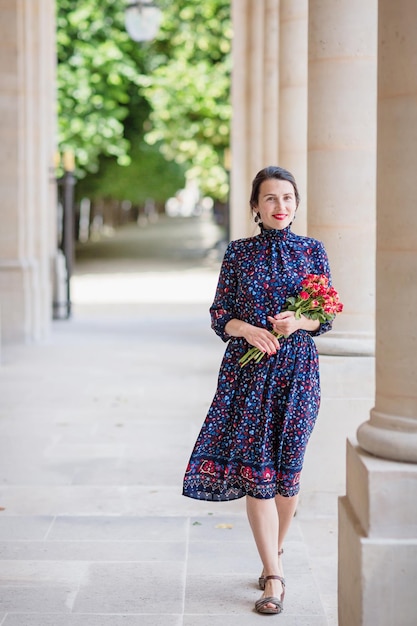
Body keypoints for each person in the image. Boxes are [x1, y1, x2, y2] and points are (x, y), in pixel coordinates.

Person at [182, 166, 334, 615]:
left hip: (298, 374)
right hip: (246, 377)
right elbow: (219, 315)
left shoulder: (312, 251)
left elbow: (324, 317)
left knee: (288, 476)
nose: (280, 206)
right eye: (270, 198)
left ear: (296, 203)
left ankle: (275, 553)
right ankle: (273, 576)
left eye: (287, 198)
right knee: (259, 474)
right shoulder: (238, 253)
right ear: (255, 206)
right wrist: (246, 329)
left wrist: (298, 322)